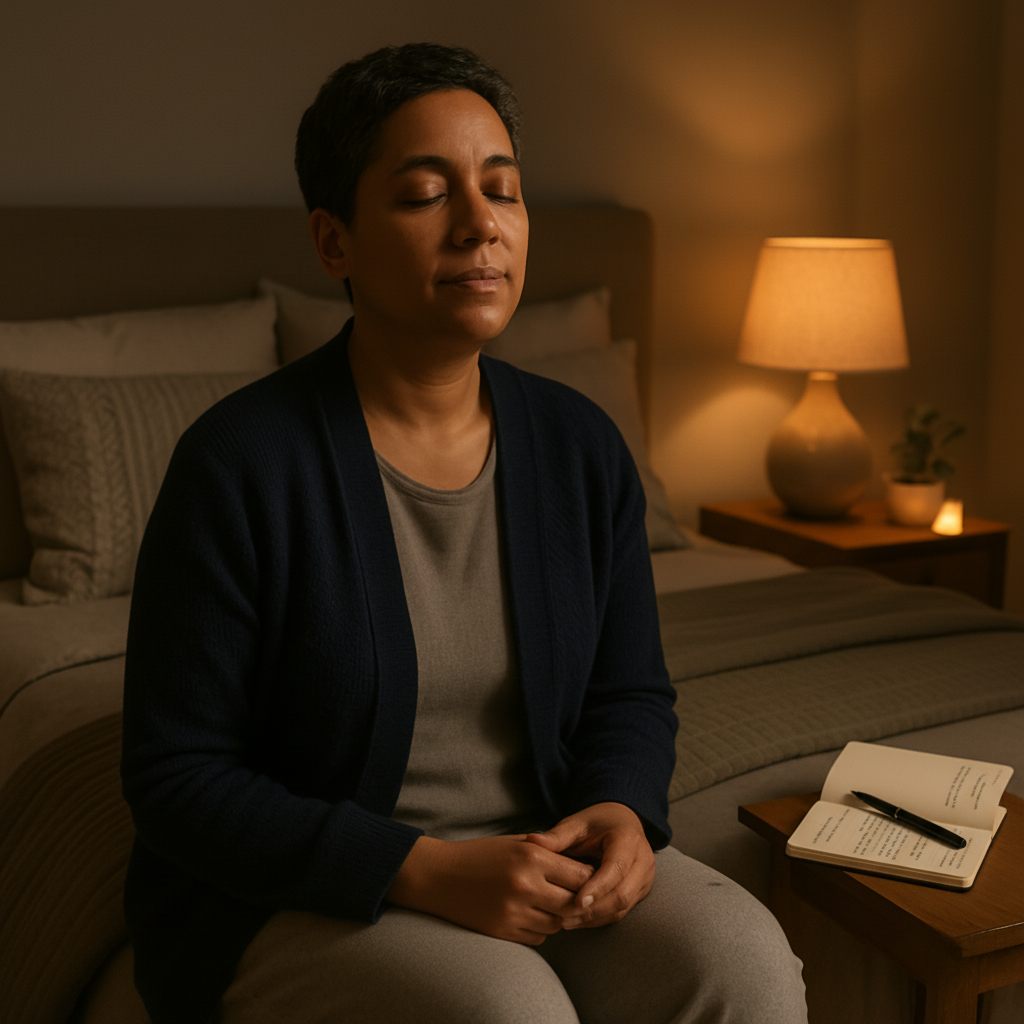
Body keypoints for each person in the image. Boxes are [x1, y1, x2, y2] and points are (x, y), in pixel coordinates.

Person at [120, 43, 807, 1024]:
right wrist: (422, 866)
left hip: (540, 846)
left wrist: (619, 808)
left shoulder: (579, 445)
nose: (481, 225)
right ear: (334, 241)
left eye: (503, 190)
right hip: (305, 885)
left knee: (746, 961)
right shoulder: (238, 463)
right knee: (506, 1010)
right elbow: (175, 777)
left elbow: (627, 692)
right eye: (424, 194)